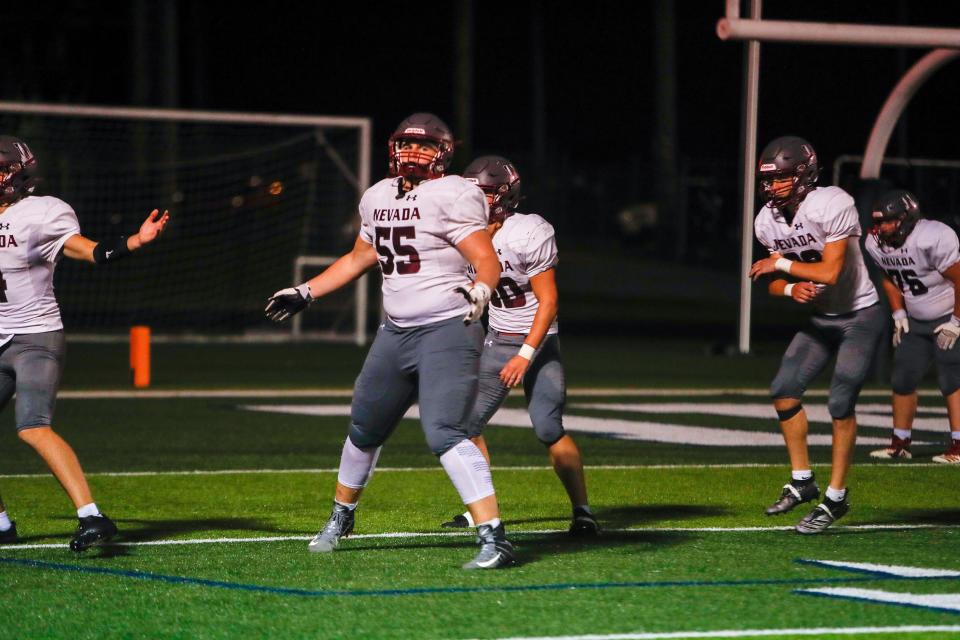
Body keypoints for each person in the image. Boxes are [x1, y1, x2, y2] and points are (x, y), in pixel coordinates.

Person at [265, 113, 514, 569]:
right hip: (395, 332)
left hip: (447, 329)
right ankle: (341, 516)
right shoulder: (377, 195)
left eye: (424, 147)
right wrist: (306, 291)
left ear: (443, 153)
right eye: (406, 145)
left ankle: (494, 537)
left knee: (445, 431)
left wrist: (482, 288)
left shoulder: (455, 192)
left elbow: (486, 258)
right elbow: (360, 257)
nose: (413, 154)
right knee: (364, 427)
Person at [0, 135, 170, 551]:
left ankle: (92, 517)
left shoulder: (40, 214)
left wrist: (133, 242)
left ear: (12, 175)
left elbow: (91, 252)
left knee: (32, 427)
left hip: (35, 338)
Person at [439, 156, 598, 536]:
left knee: (548, 427)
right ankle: (480, 507)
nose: (475, 199)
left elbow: (549, 301)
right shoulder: (465, 234)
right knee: (464, 425)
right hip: (495, 339)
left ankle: (583, 511)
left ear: (506, 195)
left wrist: (526, 354)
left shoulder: (528, 231)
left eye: (484, 193)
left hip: (537, 341)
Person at [748, 136, 884, 534]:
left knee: (840, 402)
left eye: (781, 178)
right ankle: (803, 480)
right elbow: (767, 280)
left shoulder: (832, 202)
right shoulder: (766, 221)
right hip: (822, 318)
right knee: (784, 389)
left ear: (805, 173)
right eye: (769, 179)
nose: (772, 186)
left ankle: (837, 498)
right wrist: (788, 286)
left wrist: (781, 265)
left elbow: (830, 272)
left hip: (860, 314)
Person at [864, 190, 960, 464]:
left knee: (952, 379)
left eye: (887, 222)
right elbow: (889, 277)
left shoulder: (932, 237)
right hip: (916, 319)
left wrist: (956, 322)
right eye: (878, 222)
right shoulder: (876, 244)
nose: (880, 228)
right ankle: (900, 442)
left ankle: (959, 444)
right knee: (903, 379)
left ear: (905, 219)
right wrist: (898, 313)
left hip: (948, 315)